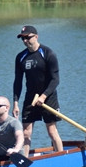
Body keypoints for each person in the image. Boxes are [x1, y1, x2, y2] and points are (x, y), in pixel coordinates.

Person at [12, 25, 64, 156]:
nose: (25, 41)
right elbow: (18, 81)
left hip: (48, 97)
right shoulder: (21, 57)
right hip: (30, 98)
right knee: (26, 132)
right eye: (22, 39)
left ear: (36, 37)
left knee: (52, 131)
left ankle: (61, 156)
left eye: (28, 38)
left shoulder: (48, 54)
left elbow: (55, 80)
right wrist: (16, 103)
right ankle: (24, 160)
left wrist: (43, 96)